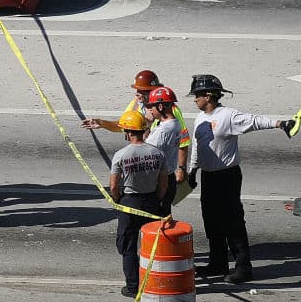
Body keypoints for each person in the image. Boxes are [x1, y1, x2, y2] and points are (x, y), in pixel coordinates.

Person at [187, 74, 296, 284]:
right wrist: (192, 171)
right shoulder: (200, 118)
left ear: (209, 96)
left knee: (232, 222)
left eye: (198, 95)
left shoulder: (228, 116)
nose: (195, 99)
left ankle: (243, 266)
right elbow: (197, 147)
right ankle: (217, 263)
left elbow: (254, 121)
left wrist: (281, 124)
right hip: (208, 177)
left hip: (227, 177)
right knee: (211, 222)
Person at [109, 110, 168, 299]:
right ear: (143, 131)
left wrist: (117, 199)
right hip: (151, 201)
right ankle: (154, 281)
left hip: (130, 202)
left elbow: (113, 185)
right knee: (151, 246)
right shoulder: (157, 153)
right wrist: (157, 199)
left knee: (128, 245)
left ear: (127, 132)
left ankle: (133, 286)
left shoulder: (121, 155)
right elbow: (164, 182)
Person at [82, 71, 190, 149]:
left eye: (141, 90)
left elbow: (183, 142)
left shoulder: (170, 109)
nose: (137, 93)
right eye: (137, 89)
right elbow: (123, 125)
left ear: (152, 90)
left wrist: (181, 168)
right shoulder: (136, 105)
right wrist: (102, 123)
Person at [144, 86, 187, 217]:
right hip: (168, 178)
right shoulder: (175, 124)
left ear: (161, 107)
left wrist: (146, 124)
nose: (150, 109)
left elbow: (144, 151)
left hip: (158, 181)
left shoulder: (164, 130)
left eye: (152, 106)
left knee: (154, 220)